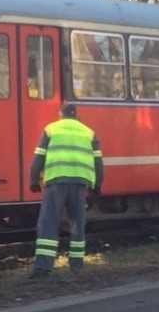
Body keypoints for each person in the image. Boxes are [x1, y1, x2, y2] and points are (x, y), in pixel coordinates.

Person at [29, 103, 104, 278]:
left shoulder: (51, 129)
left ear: (60, 114)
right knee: (78, 223)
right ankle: (76, 266)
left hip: (57, 181)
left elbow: (39, 157)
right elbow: (98, 163)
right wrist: (98, 185)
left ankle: (43, 267)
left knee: (48, 222)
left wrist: (34, 180)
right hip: (80, 183)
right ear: (76, 115)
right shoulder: (88, 132)